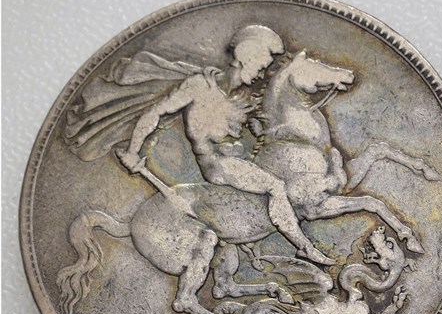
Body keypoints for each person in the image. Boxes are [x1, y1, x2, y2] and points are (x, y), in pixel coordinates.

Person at [117, 25, 335, 266]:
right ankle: (304, 247)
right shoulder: (199, 86)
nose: (261, 74)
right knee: (275, 185)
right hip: (217, 165)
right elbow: (156, 112)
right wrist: (132, 151)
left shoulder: (242, 95)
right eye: (260, 66)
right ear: (245, 55)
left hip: (239, 160)